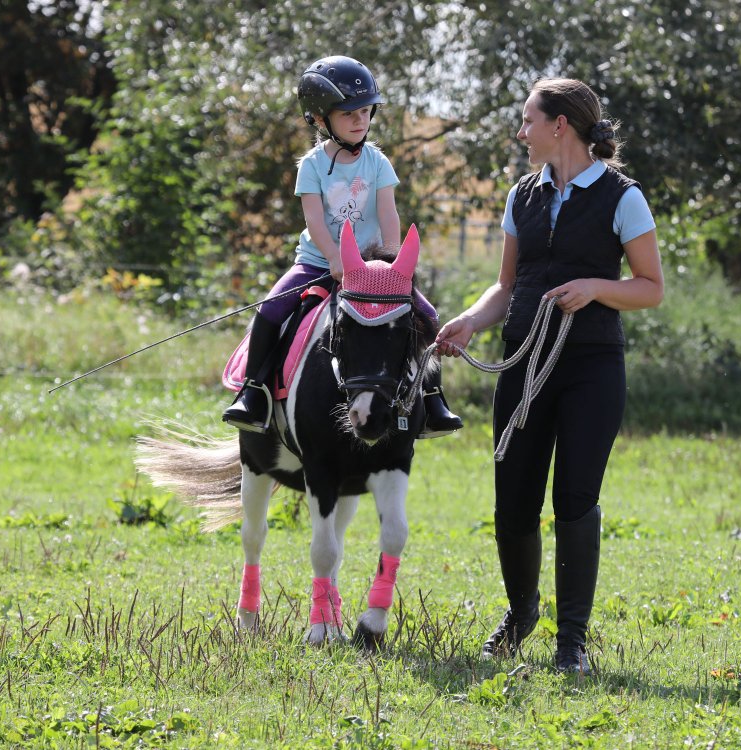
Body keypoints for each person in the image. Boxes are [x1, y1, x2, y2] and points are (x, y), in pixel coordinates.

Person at [436, 78, 664, 675]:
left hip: (591, 368)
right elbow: (507, 287)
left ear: (559, 124)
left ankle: (572, 642)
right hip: (523, 365)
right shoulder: (522, 195)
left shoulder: (623, 198)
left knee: (574, 501)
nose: (521, 132)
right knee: (512, 503)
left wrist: (595, 288)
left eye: (527, 121)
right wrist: (467, 321)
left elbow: (650, 288)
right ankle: (520, 615)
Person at [223, 55, 462, 438]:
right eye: (349, 113)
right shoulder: (312, 166)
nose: (360, 121)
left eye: (366, 111)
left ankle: (433, 398)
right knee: (270, 310)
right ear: (320, 119)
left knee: (425, 314)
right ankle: (253, 392)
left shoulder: (378, 162)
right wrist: (334, 258)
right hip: (320, 263)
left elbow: (389, 215)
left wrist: (391, 262)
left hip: (371, 271)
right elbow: (315, 222)